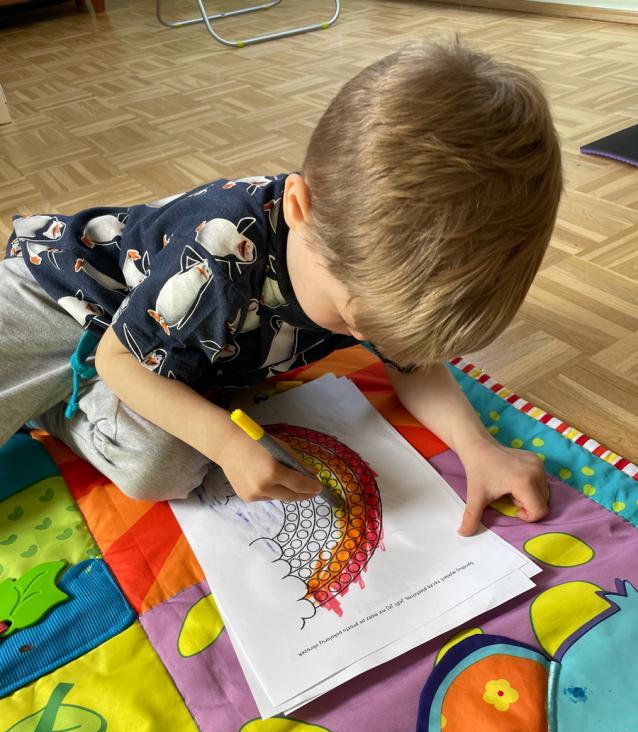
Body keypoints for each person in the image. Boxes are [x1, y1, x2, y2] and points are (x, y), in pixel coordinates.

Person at [0, 39, 562, 535]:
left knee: (165, 466)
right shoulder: (221, 249)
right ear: (298, 206)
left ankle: (58, 405)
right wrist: (225, 442)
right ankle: (58, 388)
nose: (364, 339)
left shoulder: (368, 270)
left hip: (159, 353)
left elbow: (414, 366)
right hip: (60, 291)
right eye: (350, 319)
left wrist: (479, 447)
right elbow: (118, 358)